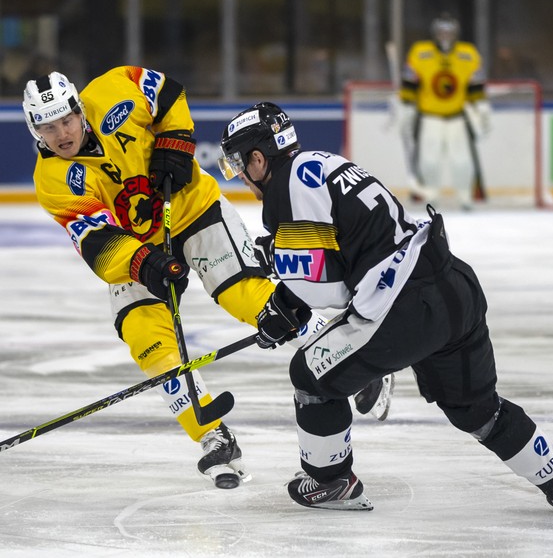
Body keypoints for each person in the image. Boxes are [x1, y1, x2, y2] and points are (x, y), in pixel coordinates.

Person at [22, 67, 392, 488]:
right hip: (138, 250)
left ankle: (349, 351)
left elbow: (167, 93)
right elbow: (99, 242)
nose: (62, 133)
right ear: (36, 130)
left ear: (78, 110)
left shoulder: (112, 89)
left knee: (245, 295)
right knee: (147, 338)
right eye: (48, 127)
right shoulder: (52, 181)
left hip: (195, 212)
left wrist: (174, 145)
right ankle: (212, 434)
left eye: (66, 120)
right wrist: (147, 265)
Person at [218, 101, 553, 512]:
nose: (241, 177)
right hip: (452, 284)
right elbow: (340, 259)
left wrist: (286, 302)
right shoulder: (323, 163)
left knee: (309, 375)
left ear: (257, 158)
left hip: (404, 307)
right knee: (479, 411)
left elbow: (329, 292)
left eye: (238, 165)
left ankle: (330, 481)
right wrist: (288, 301)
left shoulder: (284, 188)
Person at [399, 13, 491, 210]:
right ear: (435, 32)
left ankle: (465, 196)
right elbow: (409, 83)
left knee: (462, 161)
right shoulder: (420, 52)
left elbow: (475, 86)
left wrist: (481, 106)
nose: (445, 36)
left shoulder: (468, 53)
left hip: (457, 117)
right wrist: (406, 106)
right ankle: (431, 194)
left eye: (449, 32)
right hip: (429, 117)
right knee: (429, 160)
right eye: (442, 31)